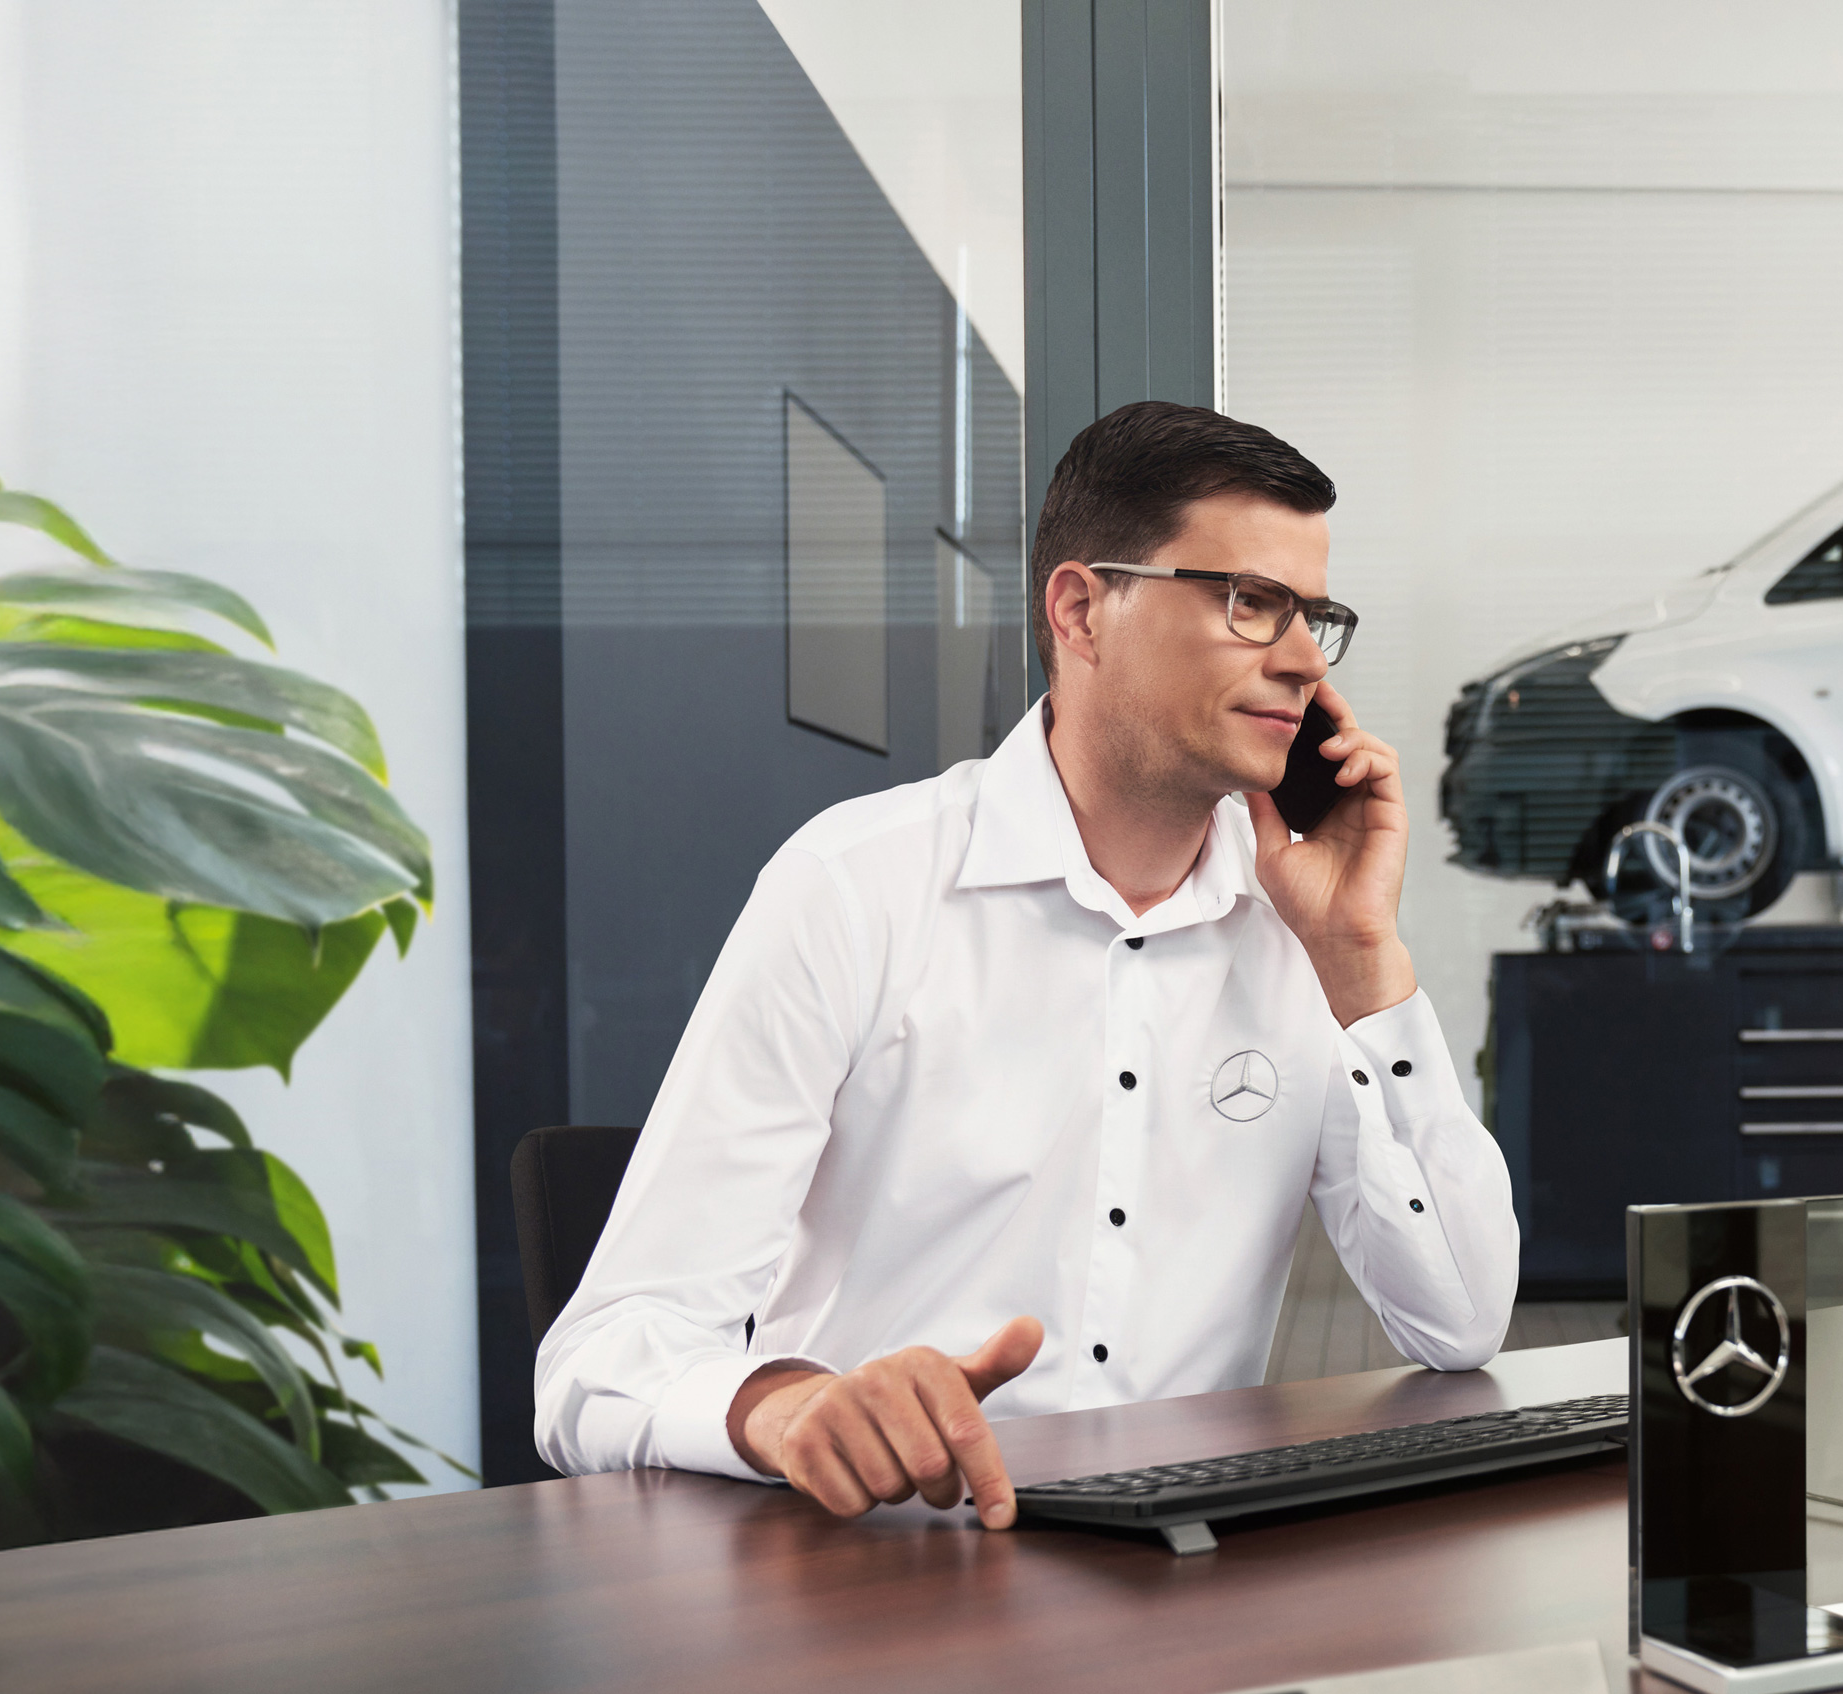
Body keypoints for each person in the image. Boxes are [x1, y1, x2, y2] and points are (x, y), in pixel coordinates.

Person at [531, 401, 1519, 1523]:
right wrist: (789, 1408)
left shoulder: (1302, 925)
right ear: (1081, 610)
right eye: (1251, 602)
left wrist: (1358, 957)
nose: (1299, 660)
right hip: (889, 1565)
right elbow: (600, 1362)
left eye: (1314, 616)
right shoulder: (854, 887)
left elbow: (1460, 1321)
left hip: (1184, 1573)